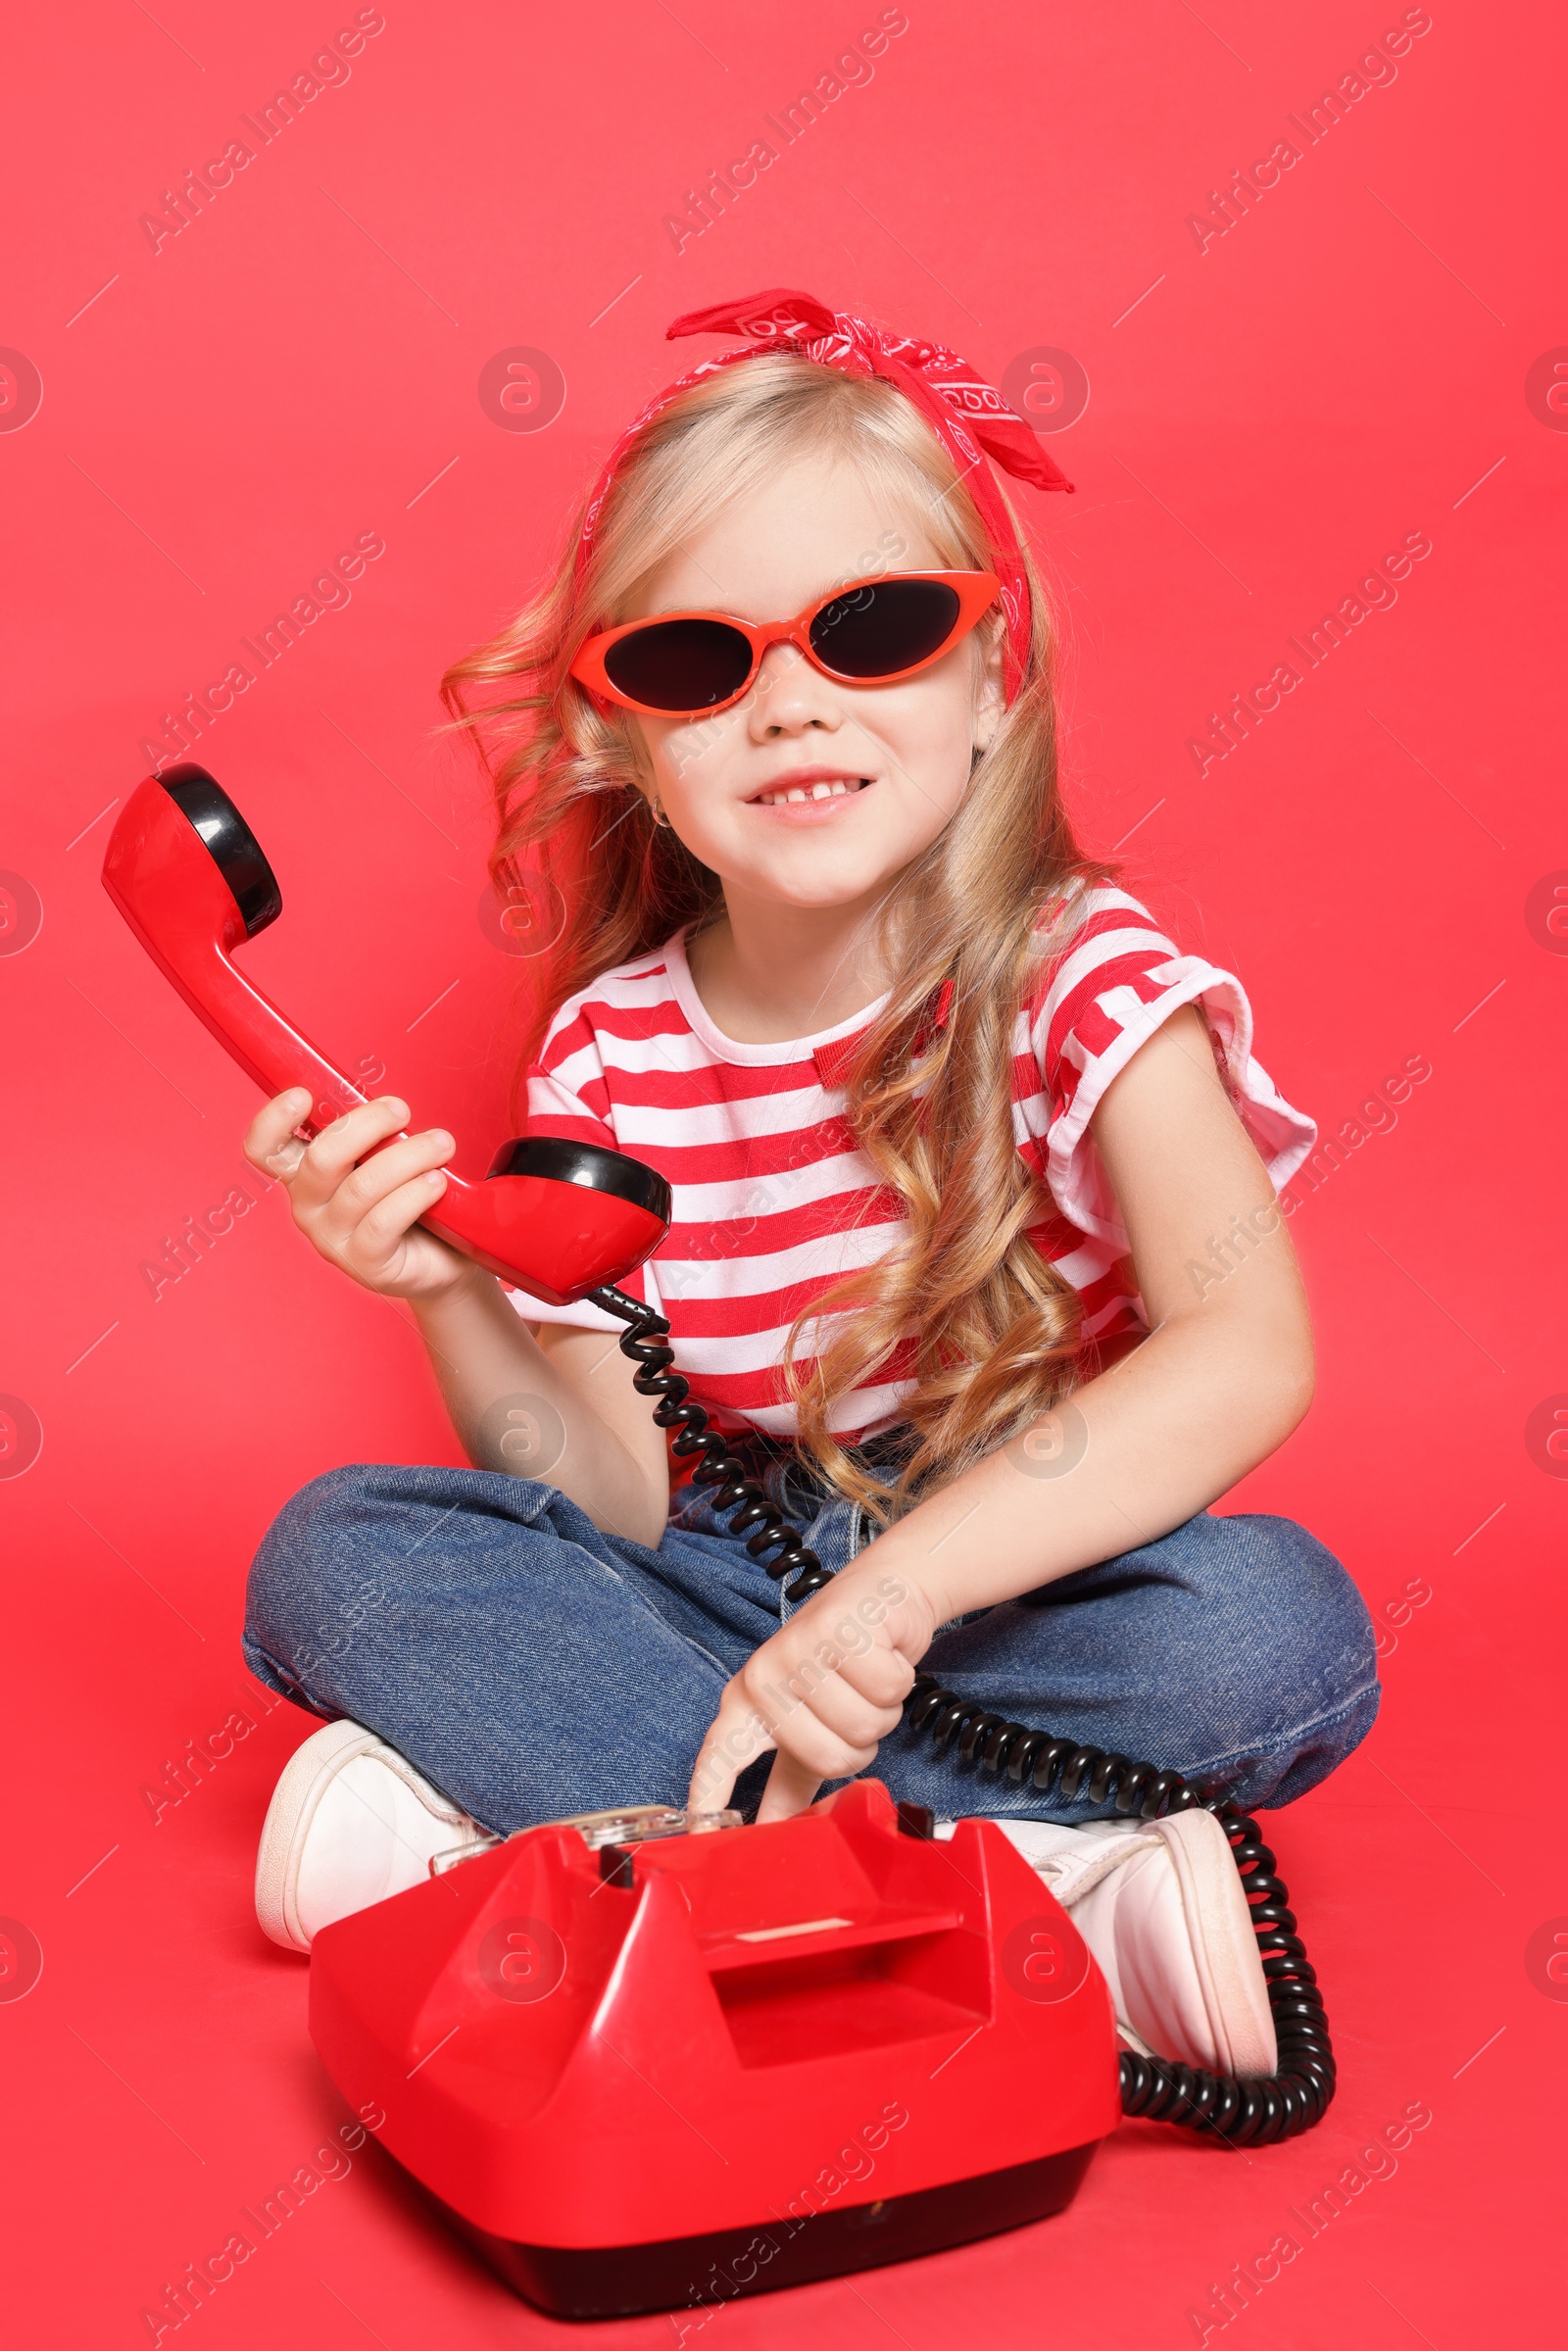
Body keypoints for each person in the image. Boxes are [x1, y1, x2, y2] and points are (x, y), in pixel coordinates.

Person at [240, 290, 1378, 2078]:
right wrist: (447, 1284)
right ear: (623, 736)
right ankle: (1037, 1883)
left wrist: (892, 1597)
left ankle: (547, 1847)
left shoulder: (1085, 973)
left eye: (875, 630)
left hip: (1011, 1581)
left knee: (1274, 1630)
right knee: (337, 1560)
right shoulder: (613, 1054)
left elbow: (1247, 1350)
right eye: (701, 663)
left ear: (992, 681)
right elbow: (617, 1500)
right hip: (723, 1564)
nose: (787, 709)